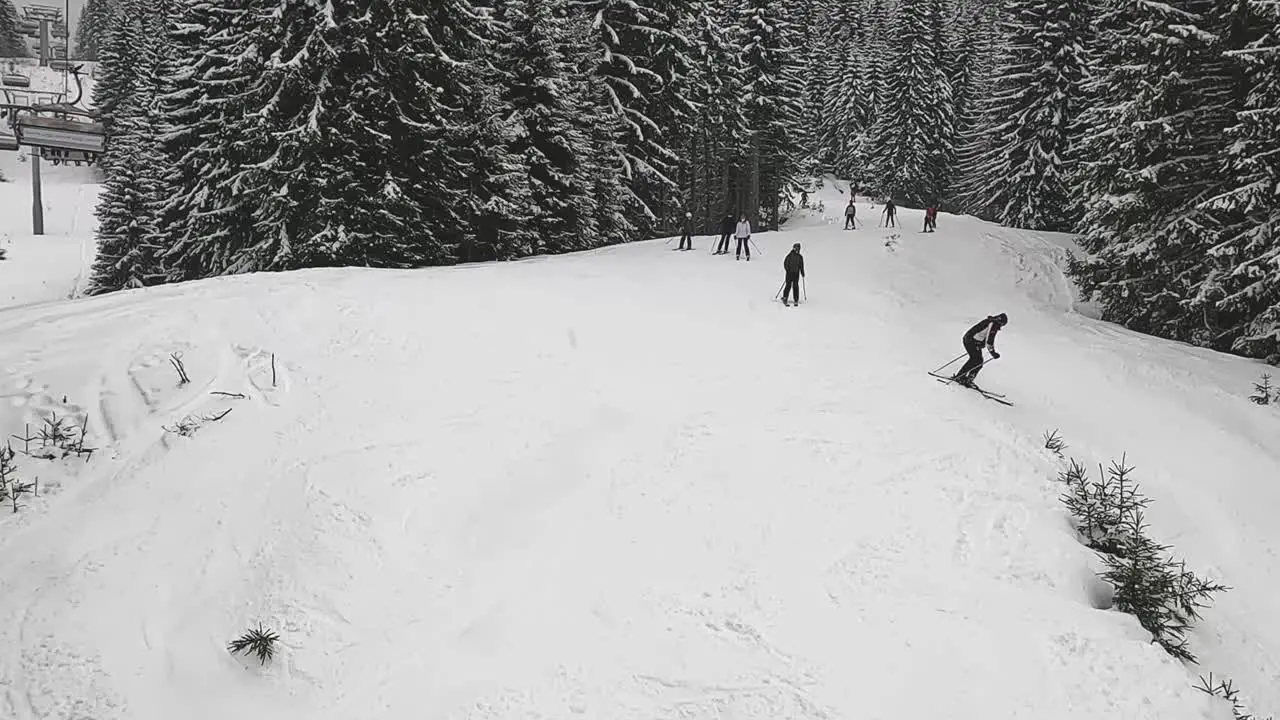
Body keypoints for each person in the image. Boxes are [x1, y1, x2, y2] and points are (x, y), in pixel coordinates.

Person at [952, 313, 1008, 387]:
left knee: (977, 361)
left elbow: (981, 332)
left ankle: (963, 377)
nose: (1001, 326)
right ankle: (962, 378)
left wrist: (981, 343)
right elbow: (989, 340)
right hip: (971, 341)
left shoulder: (990, 321)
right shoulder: (994, 324)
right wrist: (993, 353)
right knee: (976, 360)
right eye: (1002, 324)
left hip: (970, 339)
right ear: (1000, 321)